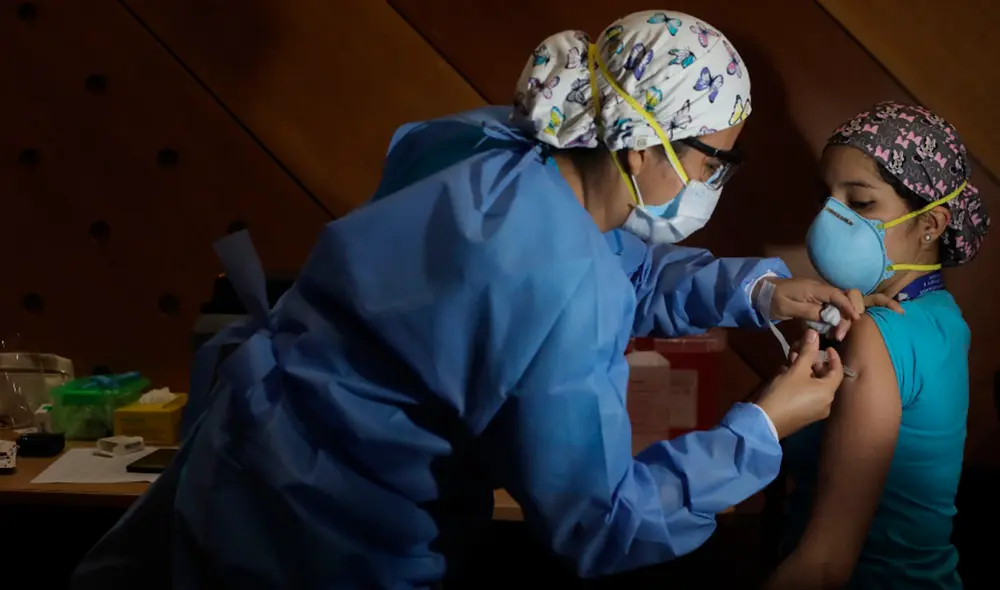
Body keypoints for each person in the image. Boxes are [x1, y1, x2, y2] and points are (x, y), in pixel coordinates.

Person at [74, 11, 858, 589]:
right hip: (331, 538)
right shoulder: (557, 281)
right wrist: (761, 428)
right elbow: (602, 525)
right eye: (716, 159)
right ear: (647, 143)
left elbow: (628, 271)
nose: (719, 179)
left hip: (247, 455)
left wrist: (756, 291)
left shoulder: (504, 154)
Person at [764, 102, 991, 590]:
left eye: (861, 203)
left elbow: (825, 566)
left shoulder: (878, 332)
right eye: (827, 198)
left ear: (930, 225)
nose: (832, 218)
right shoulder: (940, 317)